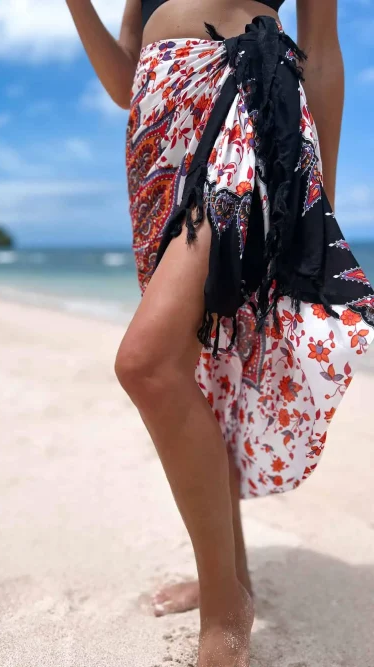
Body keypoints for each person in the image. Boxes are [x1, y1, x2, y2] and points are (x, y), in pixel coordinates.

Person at [67, 1, 374, 665]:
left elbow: (321, 49)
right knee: (201, 366)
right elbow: (124, 80)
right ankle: (232, 576)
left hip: (246, 107)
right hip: (158, 135)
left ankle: (225, 608)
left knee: (146, 363)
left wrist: (315, 199)